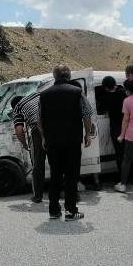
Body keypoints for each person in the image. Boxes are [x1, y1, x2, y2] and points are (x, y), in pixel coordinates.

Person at [39, 65, 93, 221]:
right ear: (69, 76)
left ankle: (54, 211)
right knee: (71, 176)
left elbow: (39, 119)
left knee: (55, 175)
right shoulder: (77, 92)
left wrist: (44, 137)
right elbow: (87, 114)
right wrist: (87, 134)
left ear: (54, 76)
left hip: (52, 142)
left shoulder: (44, 95)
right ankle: (70, 211)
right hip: (72, 141)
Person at [12, 93, 45, 203]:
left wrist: (25, 145)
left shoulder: (18, 107)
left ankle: (38, 196)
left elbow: (19, 130)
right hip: (54, 125)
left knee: (38, 165)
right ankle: (66, 190)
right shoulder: (37, 95)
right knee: (58, 161)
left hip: (37, 130)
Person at [98, 76, 126, 176]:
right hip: (128, 126)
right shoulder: (123, 92)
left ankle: (123, 177)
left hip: (116, 127)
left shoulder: (106, 98)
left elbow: (101, 109)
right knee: (129, 152)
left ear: (105, 87)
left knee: (119, 153)